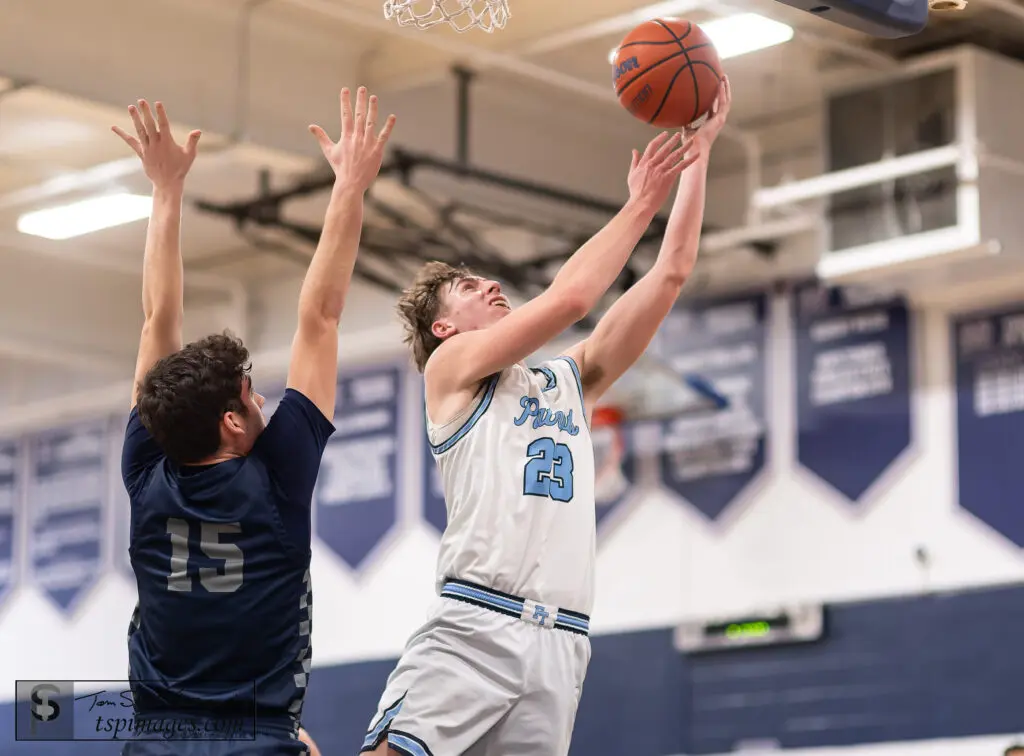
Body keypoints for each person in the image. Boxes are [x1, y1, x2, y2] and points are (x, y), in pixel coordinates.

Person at [361, 80, 732, 756]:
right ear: (444, 327)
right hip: (476, 623)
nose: (491, 285)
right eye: (470, 287)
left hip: (563, 641)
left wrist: (698, 157)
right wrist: (640, 201)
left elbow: (671, 272)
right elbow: (572, 297)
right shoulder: (450, 372)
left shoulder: (568, 380)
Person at [115, 88, 395, 754]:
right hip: (259, 740)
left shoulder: (144, 466)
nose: (265, 401)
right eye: (252, 395)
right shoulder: (278, 476)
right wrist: (349, 187)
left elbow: (158, 319)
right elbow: (321, 315)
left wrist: (165, 191)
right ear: (233, 423)